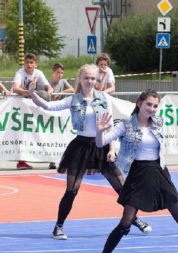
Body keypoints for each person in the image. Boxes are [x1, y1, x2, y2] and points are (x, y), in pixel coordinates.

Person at [92, 89, 178, 253]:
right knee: (126, 223)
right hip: (138, 174)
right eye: (149, 104)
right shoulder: (126, 124)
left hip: (160, 172)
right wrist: (100, 132)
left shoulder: (158, 122)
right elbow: (102, 143)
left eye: (155, 106)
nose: (152, 109)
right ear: (140, 103)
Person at [27, 64, 152, 240]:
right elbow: (48, 106)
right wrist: (32, 94)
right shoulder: (74, 100)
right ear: (80, 79)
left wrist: (111, 148)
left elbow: (110, 126)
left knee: (122, 188)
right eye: (86, 78)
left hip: (102, 145)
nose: (90, 81)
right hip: (80, 148)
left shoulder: (104, 98)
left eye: (93, 78)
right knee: (72, 190)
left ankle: (134, 219)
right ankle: (58, 227)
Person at [12, 53, 54, 170]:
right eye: (27, 62)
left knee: (36, 131)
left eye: (31, 63)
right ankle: (21, 161)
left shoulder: (39, 73)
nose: (29, 65)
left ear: (36, 64)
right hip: (18, 106)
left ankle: (50, 158)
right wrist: (30, 93)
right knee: (21, 133)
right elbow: (15, 88)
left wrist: (46, 96)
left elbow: (49, 88)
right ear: (24, 63)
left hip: (31, 106)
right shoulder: (20, 73)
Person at [47, 63, 75, 169]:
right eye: (58, 72)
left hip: (61, 113)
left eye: (62, 73)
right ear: (53, 72)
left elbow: (72, 89)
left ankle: (62, 159)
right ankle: (52, 160)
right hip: (50, 112)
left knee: (61, 137)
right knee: (51, 137)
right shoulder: (48, 83)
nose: (60, 75)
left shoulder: (63, 82)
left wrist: (62, 92)